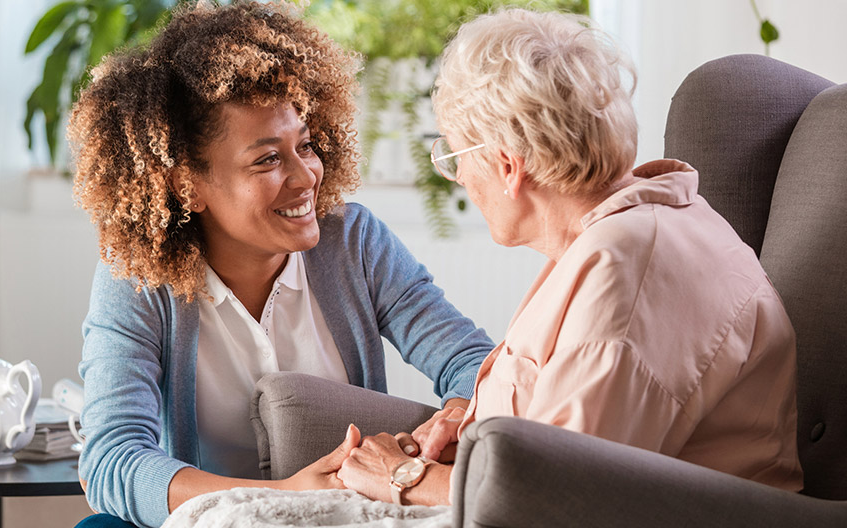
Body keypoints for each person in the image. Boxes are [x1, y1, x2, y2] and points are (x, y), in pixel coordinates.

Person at [336, 8, 803, 506]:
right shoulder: (623, 233)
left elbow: (562, 496)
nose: (461, 179)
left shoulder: (627, 269)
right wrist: (475, 426)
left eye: (453, 157)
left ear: (507, 165)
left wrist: (404, 476)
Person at [67, 2, 493, 527]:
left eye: (306, 145)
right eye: (267, 159)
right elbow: (112, 459)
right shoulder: (138, 280)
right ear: (187, 185)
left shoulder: (353, 242)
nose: (306, 175)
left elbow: (475, 363)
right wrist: (277, 495)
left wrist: (452, 419)